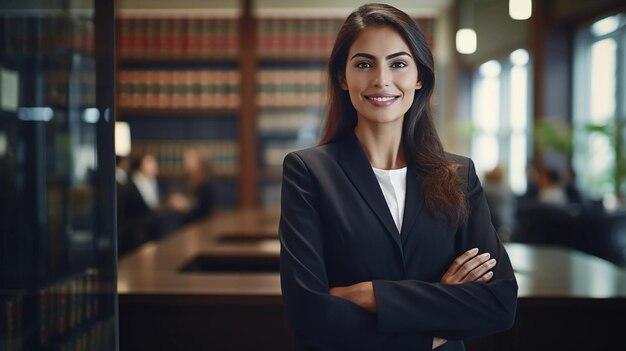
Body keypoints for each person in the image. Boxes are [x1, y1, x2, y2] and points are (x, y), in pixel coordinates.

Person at [278, 4, 517, 351]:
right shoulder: (308, 172)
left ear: (419, 76)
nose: (381, 79)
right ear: (342, 78)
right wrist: (437, 316)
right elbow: (309, 314)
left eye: (398, 63)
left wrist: (371, 294)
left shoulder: (459, 175)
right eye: (364, 64)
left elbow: (499, 304)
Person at [166, 147, 215, 226]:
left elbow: (202, 211)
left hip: (200, 226)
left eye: (190, 160)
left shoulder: (206, 185)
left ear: (200, 163)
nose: (186, 163)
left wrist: (186, 205)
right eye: (185, 160)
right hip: (181, 225)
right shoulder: (182, 181)